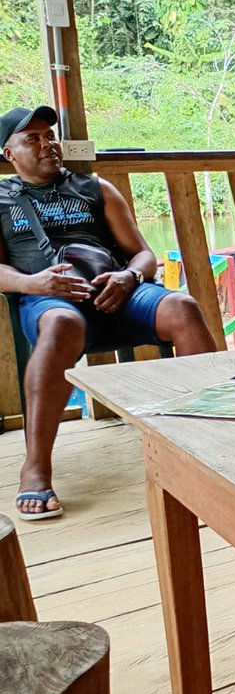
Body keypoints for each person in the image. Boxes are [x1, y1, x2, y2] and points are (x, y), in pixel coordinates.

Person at [0, 106, 216, 519]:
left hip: (118, 292)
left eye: (50, 136)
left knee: (182, 307)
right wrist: (33, 283)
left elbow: (143, 255)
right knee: (61, 322)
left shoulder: (95, 187)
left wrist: (128, 279)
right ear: (9, 153)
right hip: (51, 299)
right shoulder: (1, 201)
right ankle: (35, 468)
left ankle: (212, 439)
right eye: (33, 139)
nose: (47, 144)